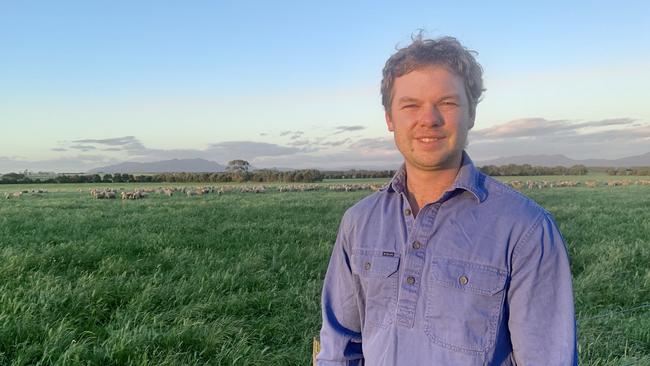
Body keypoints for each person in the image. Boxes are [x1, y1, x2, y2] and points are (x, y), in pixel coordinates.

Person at [316, 34, 577, 365]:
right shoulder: (359, 221)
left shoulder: (526, 228)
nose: (429, 119)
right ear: (389, 118)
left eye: (448, 103)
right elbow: (340, 347)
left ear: (471, 115)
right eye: (410, 105)